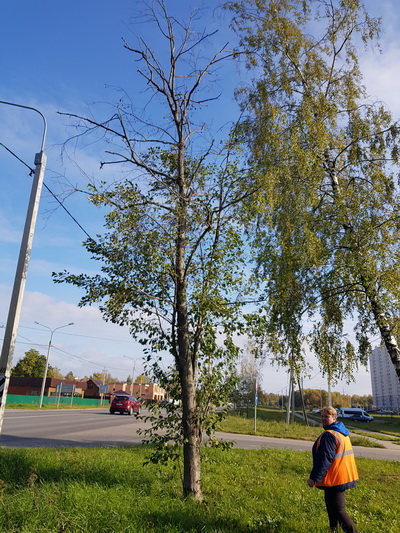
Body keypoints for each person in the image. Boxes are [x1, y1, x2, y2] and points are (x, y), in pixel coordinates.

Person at [307, 406, 359, 533]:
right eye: (322, 416)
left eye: (327, 416)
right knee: (331, 508)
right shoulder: (341, 432)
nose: (323, 419)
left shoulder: (330, 435)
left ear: (334, 418)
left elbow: (324, 459)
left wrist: (314, 478)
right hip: (339, 475)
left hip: (336, 478)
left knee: (339, 511)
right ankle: (333, 530)